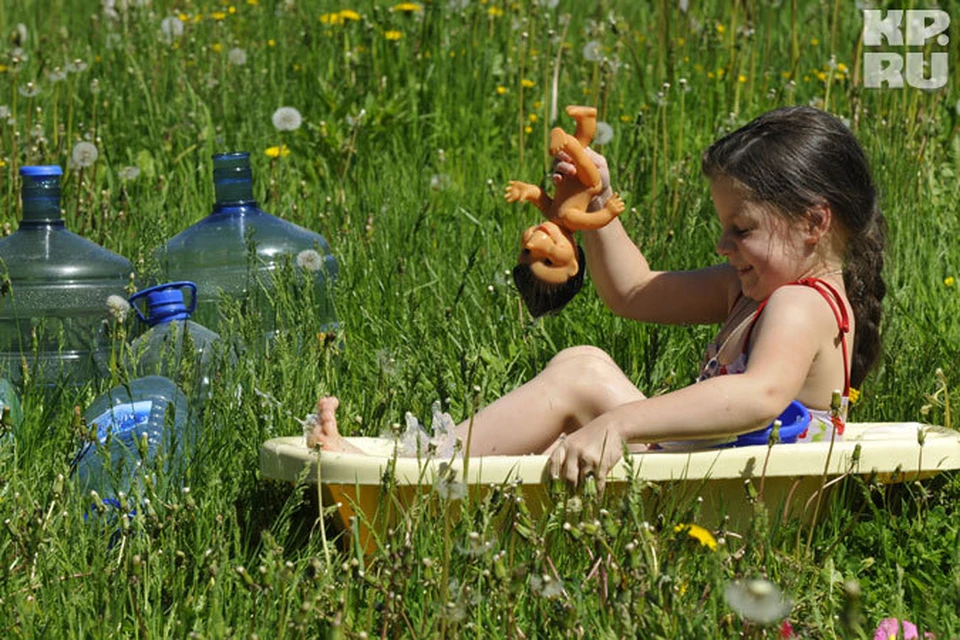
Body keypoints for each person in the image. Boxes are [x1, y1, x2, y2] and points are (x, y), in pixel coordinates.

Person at [308, 106, 886, 489]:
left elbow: (760, 395)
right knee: (578, 380)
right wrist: (596, 203)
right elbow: (635, 292)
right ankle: (421, 473)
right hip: (721, 477)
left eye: (743, 228)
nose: (723, 243)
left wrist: (623, 423)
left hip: (752, 497)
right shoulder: (755, 289)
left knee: (582, 380)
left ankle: (402, 477)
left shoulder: (800, 304)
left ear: (814, 222)